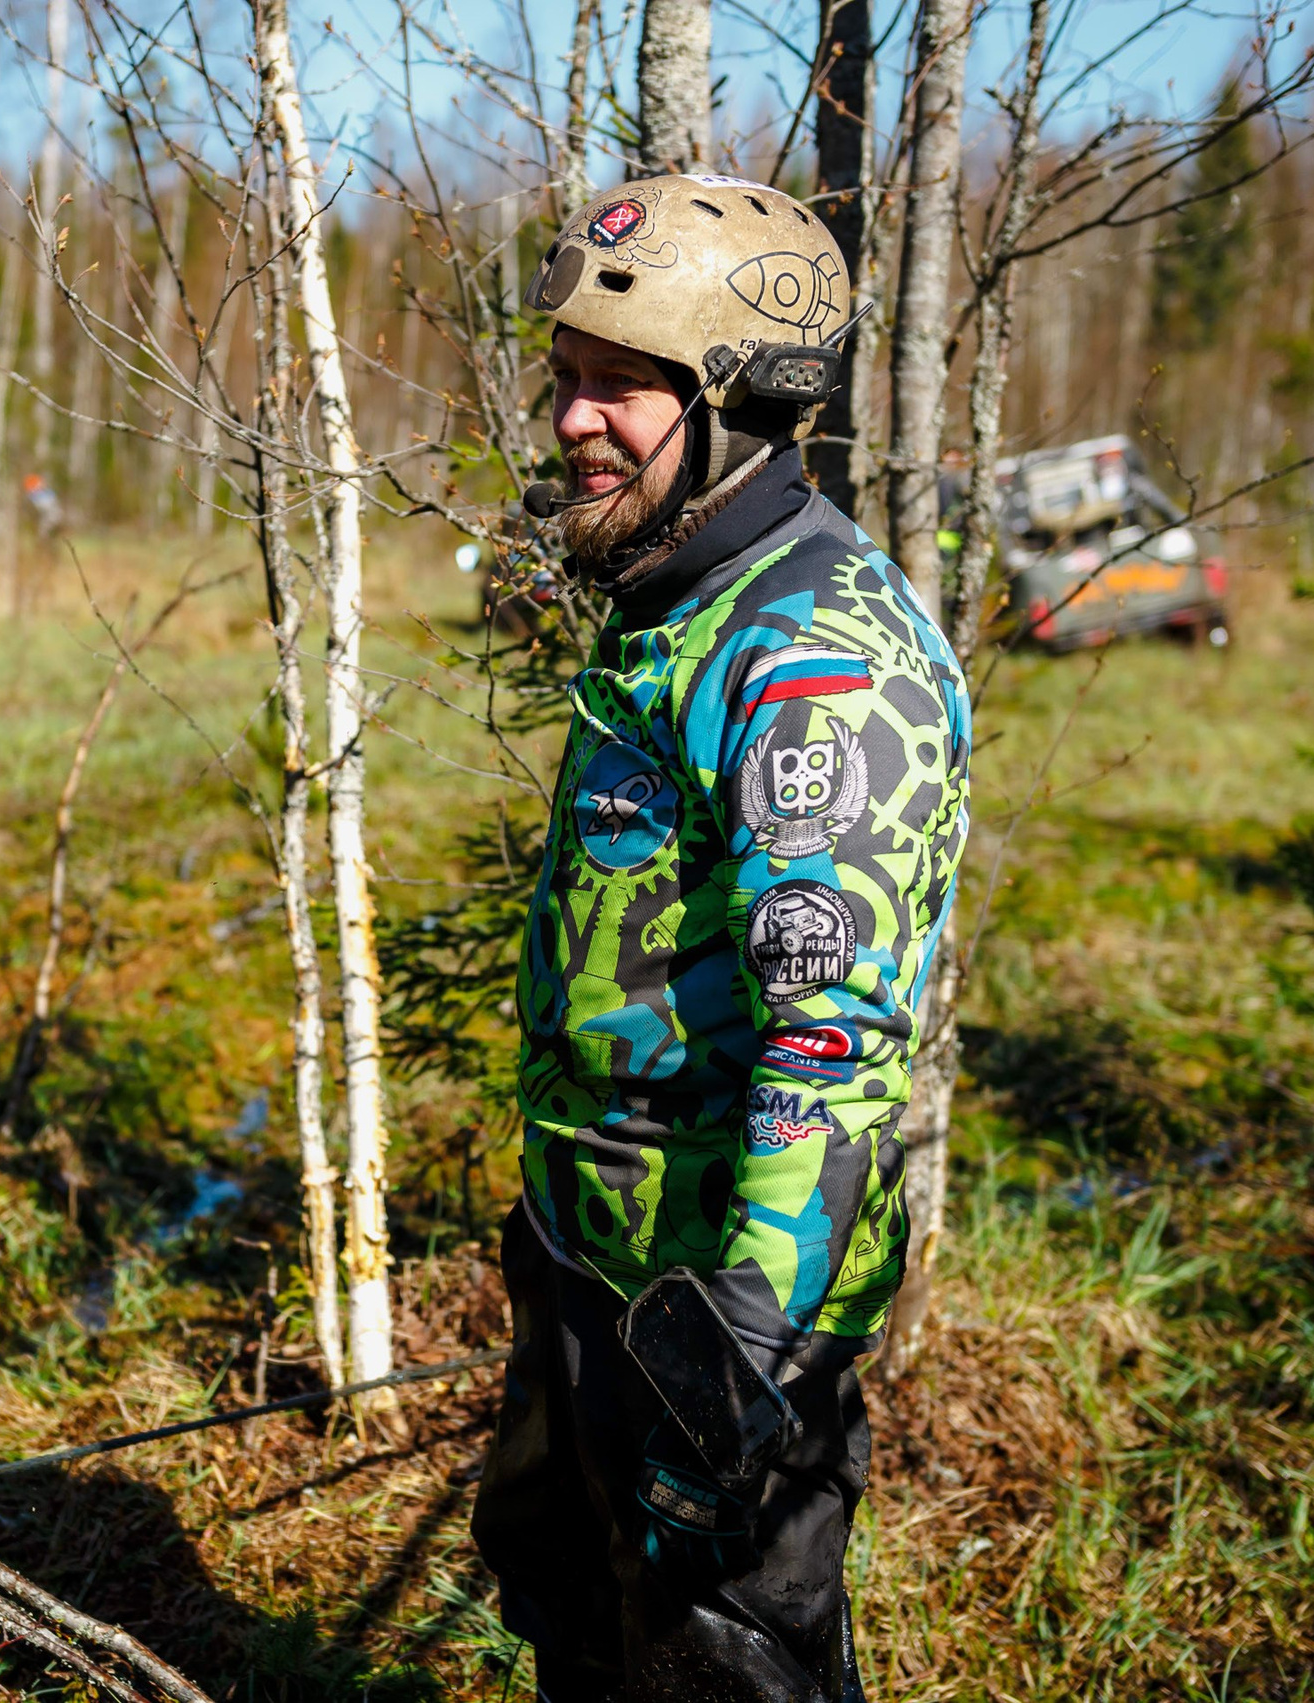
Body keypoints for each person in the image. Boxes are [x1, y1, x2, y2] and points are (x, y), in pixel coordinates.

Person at [471, 173, 973, 1703]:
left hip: (723, 1315)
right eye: (564, 379)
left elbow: (834, 1048)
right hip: (590, 1252)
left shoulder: (810, 656)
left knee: (720, 1669)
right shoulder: (675, 600)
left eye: (621, 384)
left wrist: (747, 1351)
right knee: (570, 1604)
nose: (573, 419)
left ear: (749, 404)